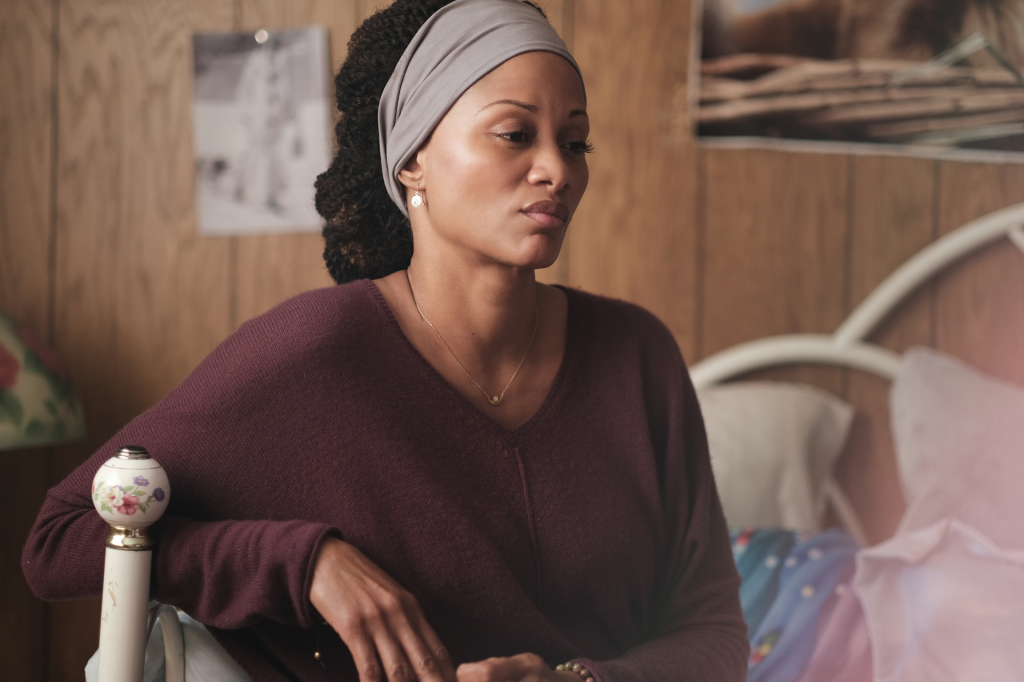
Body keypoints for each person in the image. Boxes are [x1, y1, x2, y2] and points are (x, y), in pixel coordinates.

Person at [23, 1, 749, 681]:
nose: (558, 170)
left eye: (575, 140)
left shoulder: (637, 356)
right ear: (411, 161)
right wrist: (302, 563)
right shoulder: (314, 352)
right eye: (514, 134)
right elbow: (58, 540)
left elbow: (716, 633)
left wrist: (585, 679)